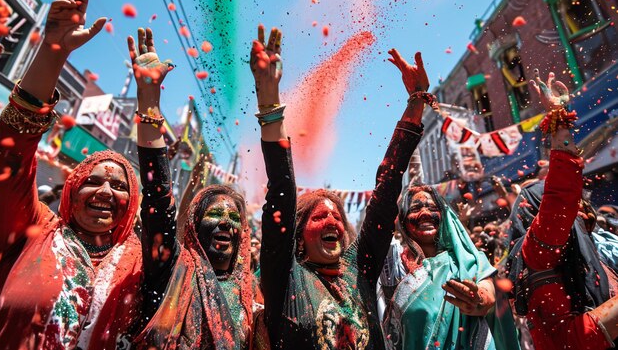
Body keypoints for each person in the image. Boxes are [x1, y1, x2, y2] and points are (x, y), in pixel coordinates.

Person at [253, 23, 428, 349]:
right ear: (298, 236)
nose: (333, 221)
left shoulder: (359, 269)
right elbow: (281, 191)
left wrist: (416, 102)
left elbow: (387, 189)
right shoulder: (287, 278)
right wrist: (268, 102)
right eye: (319, 217)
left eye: (336, 216)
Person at [0, 0, 143, 349]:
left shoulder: (142, 265)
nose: (106, 191)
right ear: (72, 190)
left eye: (121, 186)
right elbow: (9, 154)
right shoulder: (33, 230)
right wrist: (53, 51)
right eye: (93, 181)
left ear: (133, 204)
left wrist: (150, 106)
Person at [129, 28, 253, 349]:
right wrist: (149, 105)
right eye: (214, 214)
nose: (226, 222)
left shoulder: (250, 298)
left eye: (234, 218)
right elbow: (159, 200)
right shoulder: (173, 269)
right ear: (195, 228)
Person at [506, 71, 618, 349]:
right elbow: (559, 200)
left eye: (581, 206)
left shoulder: (591, 253)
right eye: (571, 206)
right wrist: (558, 124)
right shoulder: (537, 252)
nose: (576, 210)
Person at [379, 185, 520, 350]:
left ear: (444, 216)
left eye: (432, 208)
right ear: (403, 221)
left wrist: (478, 299)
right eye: (415, 209)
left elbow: (489, 291)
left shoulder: (469, 260)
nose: (424, 213)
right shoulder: (395, 268)